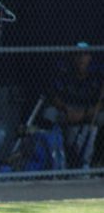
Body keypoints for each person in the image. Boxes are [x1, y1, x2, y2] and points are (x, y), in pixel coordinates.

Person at [42, 42, 104, 170]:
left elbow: (100, 102)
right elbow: (54, 96)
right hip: (67, 112)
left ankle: (93, 161)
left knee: (101, 118)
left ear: (90, 57)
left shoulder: (96, 77)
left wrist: (86, 113)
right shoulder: (65, 75)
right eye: (78, 54)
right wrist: (66, 109)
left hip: (87, 114)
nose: (81, 58)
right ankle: (55, 158)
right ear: (73, 57)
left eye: (85, 54)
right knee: (49, 113)